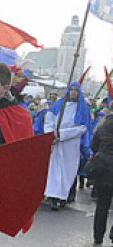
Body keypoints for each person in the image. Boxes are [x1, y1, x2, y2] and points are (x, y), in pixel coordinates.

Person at [43, 82, 93, 210]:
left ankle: (62, 196)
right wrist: (51, 135)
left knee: (67, 171)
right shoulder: (59, 105)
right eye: (71, 90)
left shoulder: (83, 109)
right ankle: (53, 197)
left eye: (76, 90)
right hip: (56, 143)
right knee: (54, 171)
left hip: (70, 144)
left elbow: (82, 128)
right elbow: (49, 120)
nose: (73, 92)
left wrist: (61, 134)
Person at [88, 111, 113, 245]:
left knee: (102, 205)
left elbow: (93, 146)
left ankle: (98, 236)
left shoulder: (102, 127)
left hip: (103, 169)